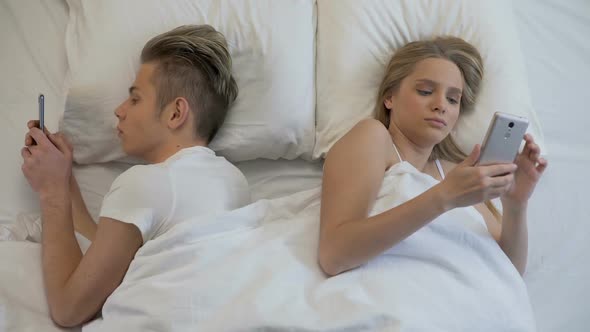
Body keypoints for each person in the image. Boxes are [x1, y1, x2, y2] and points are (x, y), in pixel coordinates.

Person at [19, 24, 250, 327]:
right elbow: (106, 256)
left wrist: (51, 194)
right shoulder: (235, 182)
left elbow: (69, 308)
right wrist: (63, 181)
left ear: (175, 113)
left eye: (135, 98)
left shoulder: (144, 183)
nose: (119, 110)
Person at [318, 36, 547, 277]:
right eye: (425, 91)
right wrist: (444, 196)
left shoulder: (456, 173)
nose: (441, 105)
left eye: (452, 99)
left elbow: (509, 274)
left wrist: (516, 205)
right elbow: (334, 255)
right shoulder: (373, 137)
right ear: (389, 98)